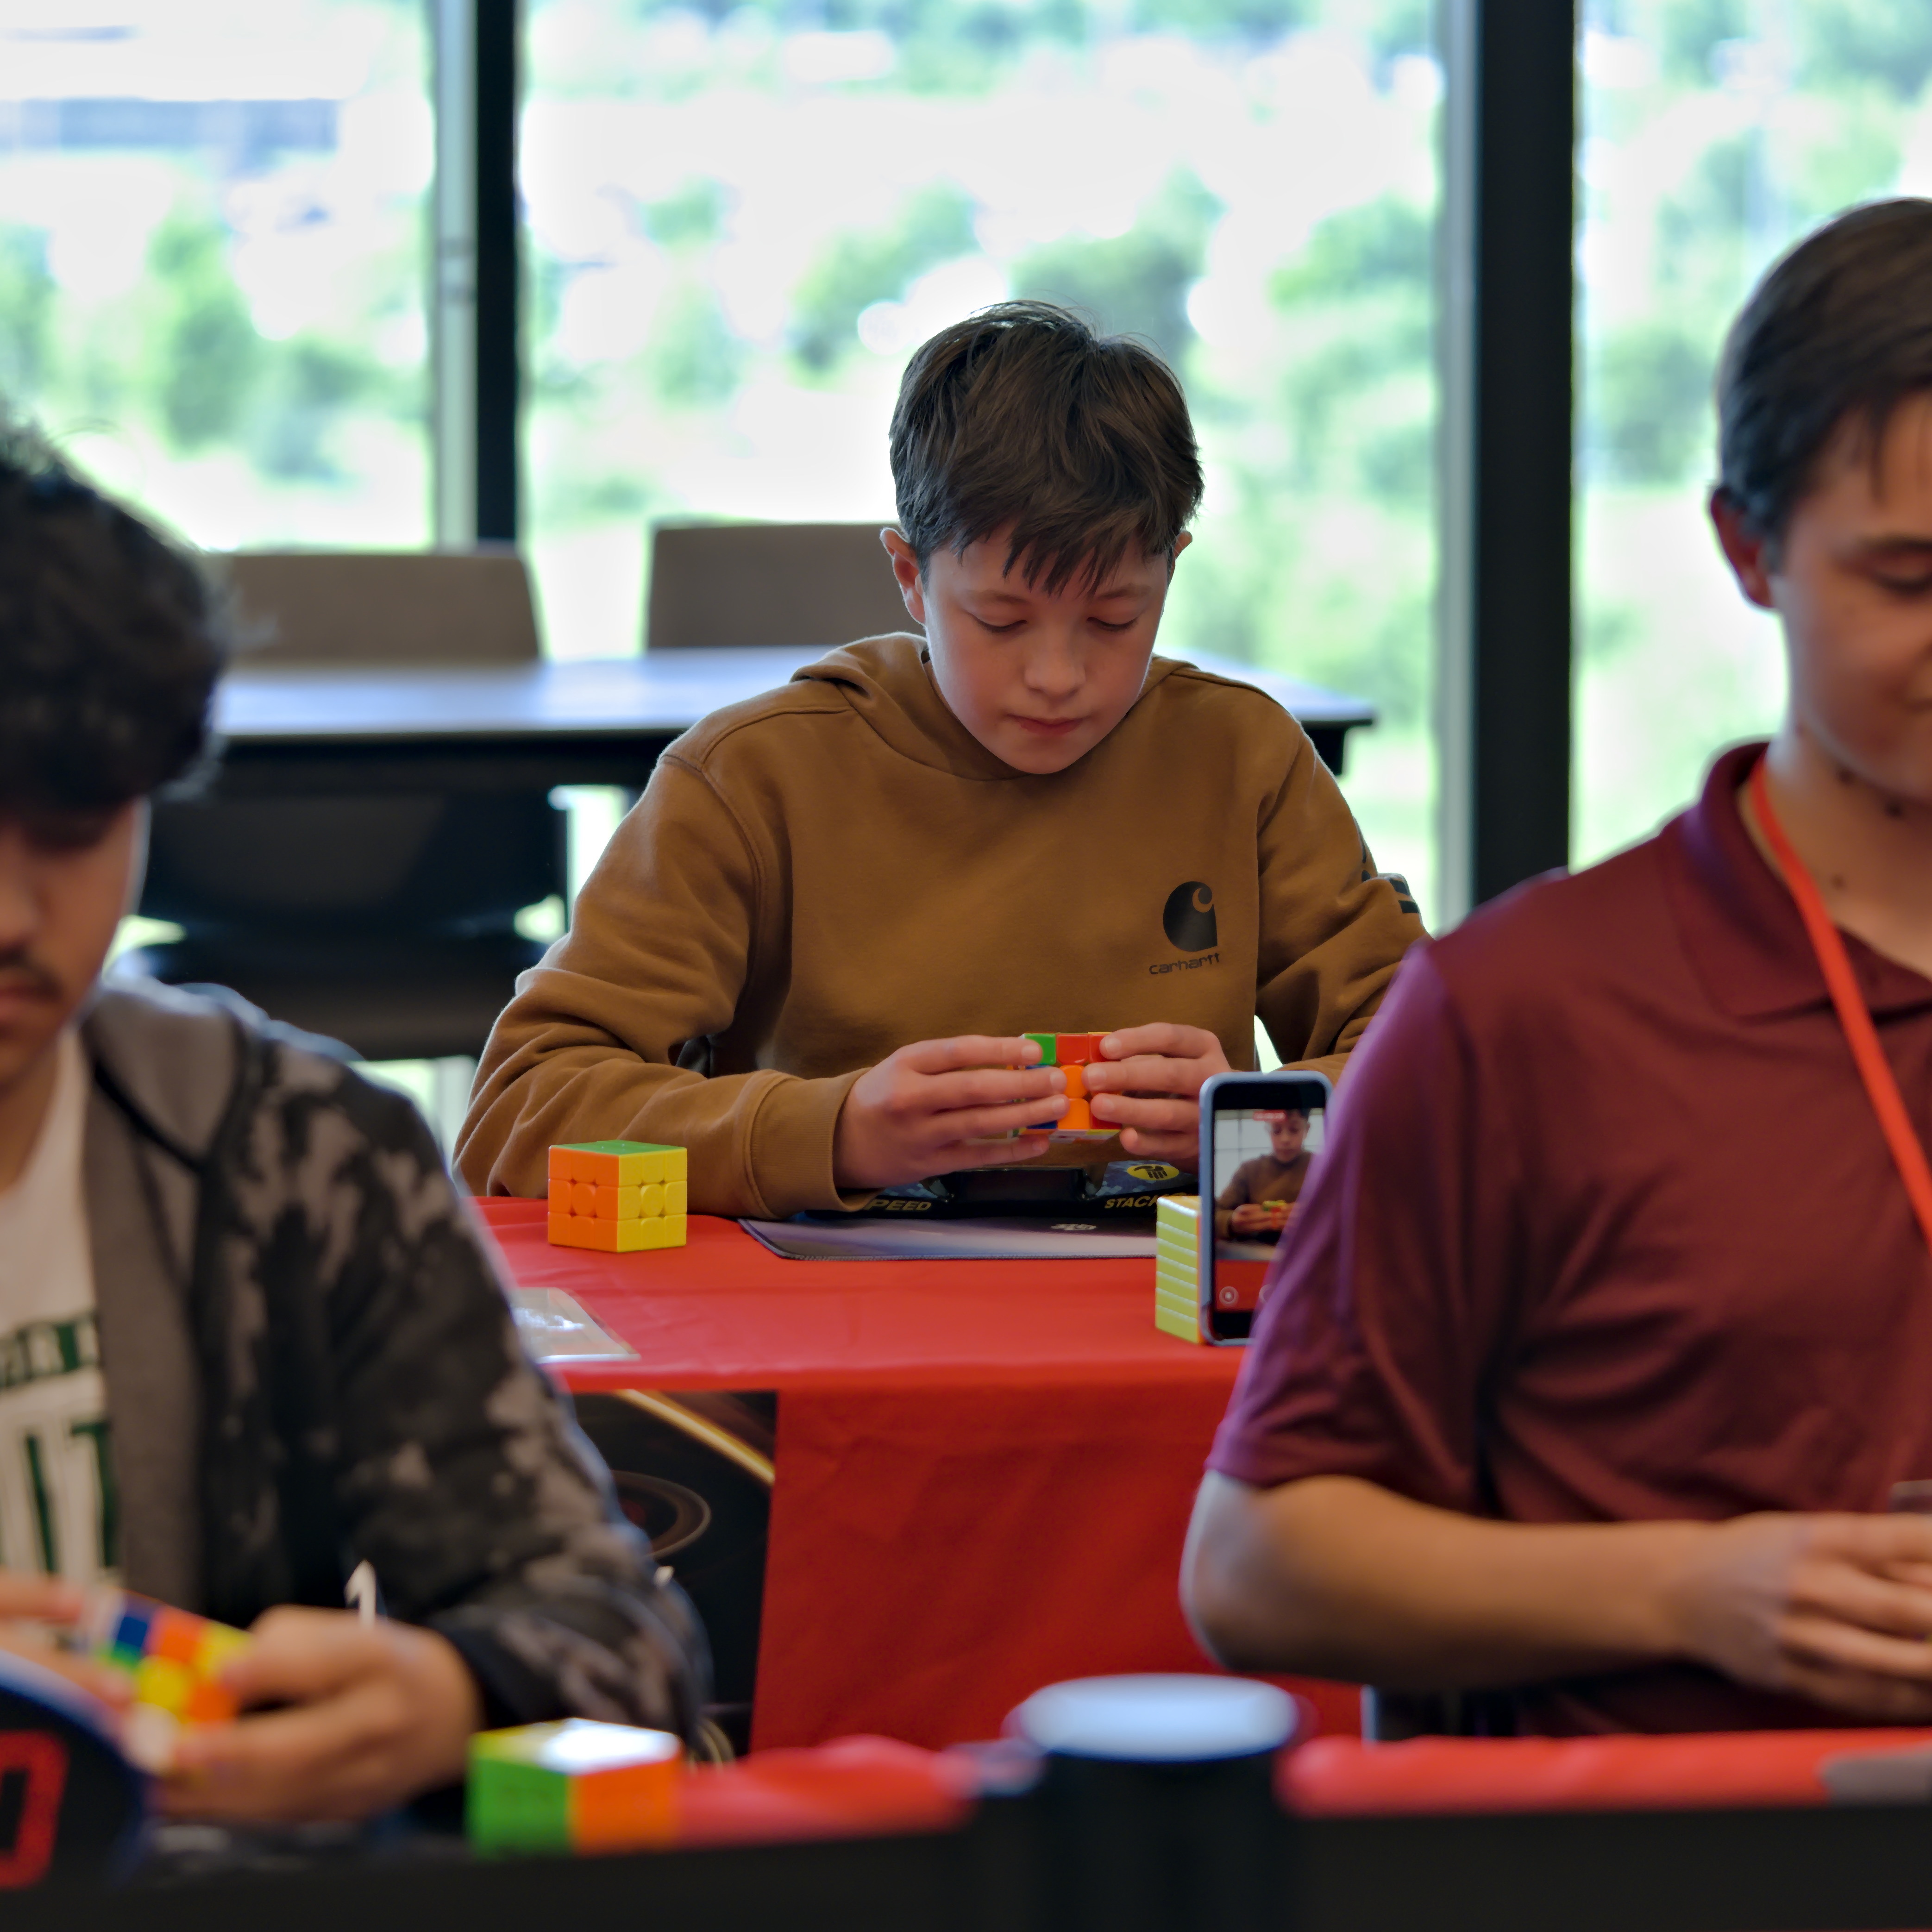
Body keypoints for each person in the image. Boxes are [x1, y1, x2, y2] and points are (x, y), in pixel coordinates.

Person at [1182, 199, 1932, 1736]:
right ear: (1749, 551)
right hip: (1675, 1840)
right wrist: (1693, 1588)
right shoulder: (1525, 1013)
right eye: (1909, 579)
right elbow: (1254, 1564)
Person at [0, 425, 706, 1820]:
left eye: (70, 830)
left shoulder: (295, 1154)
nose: (12, 916)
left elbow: (628, 1642)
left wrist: (453, 1695)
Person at [458, 303, 1424, 1217]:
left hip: (1164, 1301)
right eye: (1000, 620)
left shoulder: (1241, 758)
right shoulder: (753, 776)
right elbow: (518, 1108)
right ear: (911, 577)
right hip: (823, 1303)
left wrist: (1244, 1122)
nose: (1058, 676)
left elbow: (1439, 1066)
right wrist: (835, 1132)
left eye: (1114, 618)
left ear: (1171, 567)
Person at [1214, 1110, 1311, 1241]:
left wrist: (1320, 1218)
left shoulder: (1324, 1168)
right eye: (1276, 1131)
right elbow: (1215, 1215)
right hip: (1255, 1249)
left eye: (1294, 1130)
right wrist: (1231, 1222)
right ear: (1268, 1130)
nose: (1285, 1139)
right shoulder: (1249, 1170)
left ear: (1307, 1129)